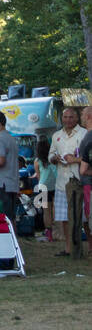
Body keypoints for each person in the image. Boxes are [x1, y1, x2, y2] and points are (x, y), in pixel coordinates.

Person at [49, 107, 85, 256]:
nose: (68, 120)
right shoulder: (57, 135)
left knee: (84, 218)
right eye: (65, 117)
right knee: (64, 217)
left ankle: (88, 247)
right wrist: (55, 158)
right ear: (62, 119)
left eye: (71, 117)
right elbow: (51, 155)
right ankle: (68, 248)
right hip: (61, 181)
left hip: (79, 180)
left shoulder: (84, 134)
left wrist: (74, 159)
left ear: (77, 119)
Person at [35, 135, 57, 241]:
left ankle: (48, 232)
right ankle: (57, 230)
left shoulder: (37, 161)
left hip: (43, 186)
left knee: (46, 211)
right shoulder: (52, 160)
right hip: (54, 185)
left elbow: (38, 175)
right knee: (54, 209)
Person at [79, 107, 92, 237]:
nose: (81, 117)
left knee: (89, 214)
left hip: (88, 183)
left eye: (82, 114)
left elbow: (83, 168)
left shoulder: (89, 136)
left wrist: (73, 158)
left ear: (88, 116)